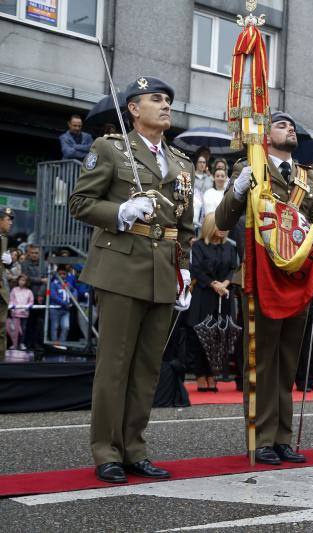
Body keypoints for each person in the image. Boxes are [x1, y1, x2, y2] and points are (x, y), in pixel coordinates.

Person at [69, 76, 195, 484]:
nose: (165, 105)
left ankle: (134, 448)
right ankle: (106, 450)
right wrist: (121, 211)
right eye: (155, 99)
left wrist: (185, 268)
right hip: (121, 267)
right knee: (114, 366)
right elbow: (80, 202)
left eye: (168, 100)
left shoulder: (181, 163)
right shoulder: (110, 149)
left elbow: (184, 225)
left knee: (147, 369)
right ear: (134, 109)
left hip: (163, 272)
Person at [215, 111, 313, 466]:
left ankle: (282, 438)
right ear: (265, 136)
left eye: (292, 125)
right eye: (280, 124)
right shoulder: (249, 167)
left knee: (287, 362)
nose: (289, 127)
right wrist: (238, 188)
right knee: (261, 360)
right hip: (261, 276)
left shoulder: (310, 177)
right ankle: (261, 437)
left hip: (296, 277)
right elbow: (222, 220)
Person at [186, 213, 238, 392]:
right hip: (204, 296)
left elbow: (233, 269)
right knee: (201, 337)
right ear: (209, 226)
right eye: (219, 226)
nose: (223, 229)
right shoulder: (199, 246)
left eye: (225, 226)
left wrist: (224, 284)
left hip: (223, 296)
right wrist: (214, 284)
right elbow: (197, 270)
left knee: (219, 337)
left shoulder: (230, 248)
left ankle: (213, 374)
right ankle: (200, 374)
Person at [49, 267, 75, 343]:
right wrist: (65, 303)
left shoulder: (68, 284)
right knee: (55, 327)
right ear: (57, 275)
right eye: (60, 274)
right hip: (55, 309)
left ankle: (62, 343)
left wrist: (74, 297)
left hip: (65, 310)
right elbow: (53, 296)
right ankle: (55, 343)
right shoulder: (53, 284)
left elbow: (74, 290)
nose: (62, 275)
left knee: (66, 327)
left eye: (64, 274)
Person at [0, 208, 13, 359]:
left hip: (1, 291)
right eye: (7, 219)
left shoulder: (4, 239)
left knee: (1, 329)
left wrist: (9, 263)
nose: (10, 222)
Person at [8, 274, 33, 349]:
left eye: (24, 280)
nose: (22, 282)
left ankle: (22, 343)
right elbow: (11, 300)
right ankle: (14, 344)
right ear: (18, 281)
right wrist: (11, 307)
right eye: (20, 280)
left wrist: (27, 307)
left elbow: (31, 302)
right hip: (15, 313)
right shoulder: (14, 290)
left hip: (24, 314)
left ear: (26, 282)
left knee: (23, 329)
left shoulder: (29, 291)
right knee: (14, 330)